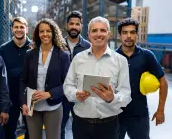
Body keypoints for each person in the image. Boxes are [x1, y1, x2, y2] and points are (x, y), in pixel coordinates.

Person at [63, 16, 132, 139]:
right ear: (89, 35)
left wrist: (112, 98)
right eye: (94, 31)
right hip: (81, 124)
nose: (98, 34)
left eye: (103, 30)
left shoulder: (120, 61)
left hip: (109, 126)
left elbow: (126, 93)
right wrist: (76, 94)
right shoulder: (78, 59)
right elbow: (68, 86)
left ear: (109, 34)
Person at [116, 18, 168, 139]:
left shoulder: (147, 56)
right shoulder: (113, 56)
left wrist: (160, 110)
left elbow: (163, 81)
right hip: (116, 114)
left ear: (137, 35)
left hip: (139, 115)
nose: (128, 36)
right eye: (125, 32)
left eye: (132, 32)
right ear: (119, 35)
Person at [21, 18, 70, 139]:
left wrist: (49, 94)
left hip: (53, 106)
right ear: (38, 34)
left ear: (53, 33)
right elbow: (23, 80)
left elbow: (68, 83)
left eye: (48, 31)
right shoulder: (30, 54)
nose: (45, 34)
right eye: (42, 31)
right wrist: (24, 103)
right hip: (32, 106)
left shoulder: (63, 56)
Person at [0, 17, 31, 139]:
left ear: (26, 29)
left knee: (31, 130)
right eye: (16, 27)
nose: (19, 30)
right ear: (11, 29)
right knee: (8, 130)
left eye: (22, 27)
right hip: (10, 96)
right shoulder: (3, 50)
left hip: (29, 96)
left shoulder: (35, 48)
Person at [61, 10, 90, 139]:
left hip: (81, 93)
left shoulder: (88, 46)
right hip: (61, 93)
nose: (74, 27)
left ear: (81, 26)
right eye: (71, 23)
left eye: (77, 24)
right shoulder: (58, 45)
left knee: (80, 127)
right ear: (67, 25)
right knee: (59, 126)